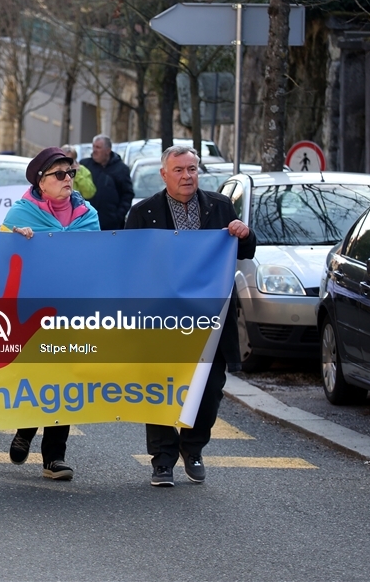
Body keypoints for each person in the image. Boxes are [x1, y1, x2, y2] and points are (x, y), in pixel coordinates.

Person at [125, 145, 255, 487]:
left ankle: (193, 448)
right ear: (164, 174)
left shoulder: (220, 206)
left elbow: (245, 250)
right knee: (160, 389)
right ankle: (163, 460)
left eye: (192, 169)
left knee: (210, 389)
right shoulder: (144, 213)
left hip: (210, 321)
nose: (187, 176)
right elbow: (128, 263)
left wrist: (245, 232)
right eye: (179, 170)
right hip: (161, 322)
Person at [1, 147, 100, 481]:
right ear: (41, 182)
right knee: (40, 377)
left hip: (74, 311)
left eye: (70, 172)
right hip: (33, 312)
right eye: (59, 174)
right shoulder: (20, 215)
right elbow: (2, 260)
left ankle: (54, 457)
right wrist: (16, 242)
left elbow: (101, 257)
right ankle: (26, 430)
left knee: (67, 379)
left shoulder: (88, 214)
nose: (68, 179)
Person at [80, 134, 133, 230]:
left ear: (108, 150)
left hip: (111, 226)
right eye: (93, 146)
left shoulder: (121, 169)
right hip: (87, 223)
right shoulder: (85, 166)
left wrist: (117, 216)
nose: (94, 150)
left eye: (98, 147)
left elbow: (127, 194)